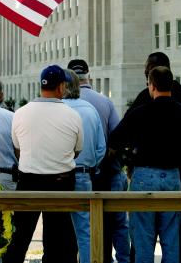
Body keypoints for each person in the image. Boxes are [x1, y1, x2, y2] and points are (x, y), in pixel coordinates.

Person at [109, 66, 181, 263]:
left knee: (143, 242)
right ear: (171, 85)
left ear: (152, 86)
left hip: (145, 177)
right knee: (171, 241)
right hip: (172, 177)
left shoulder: (141, 113)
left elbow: (114, 141)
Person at [2, 64, 83, 263]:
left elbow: (17, 147)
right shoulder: (72, 115)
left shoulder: (21, 113)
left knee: (19, 237)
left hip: (28, 180)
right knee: (60, 241)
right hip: (61, 182)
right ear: (62, 87)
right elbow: (77, 150)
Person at [67, 59, 130, 263]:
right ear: (89, 76)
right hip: (106, 171)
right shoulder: (104, 102)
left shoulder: (63, 104)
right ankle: (120, 260)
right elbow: (118, 136)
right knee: (117, 224)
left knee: (77, 228)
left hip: (70, 174)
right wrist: (98, 161)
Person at [63, 69, 106, 263]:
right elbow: (100, 148)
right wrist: (91, 166)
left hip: (59, 175)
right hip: (84, 175)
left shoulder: (59, 109)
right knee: (84, 230)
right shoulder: (90, 109)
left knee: (58, 231)